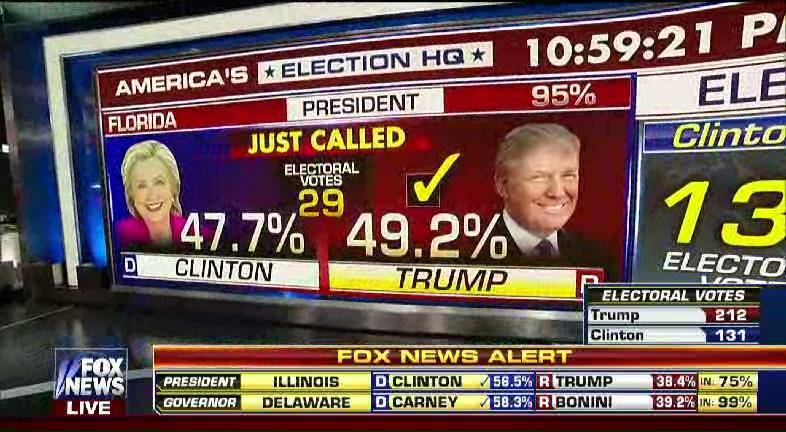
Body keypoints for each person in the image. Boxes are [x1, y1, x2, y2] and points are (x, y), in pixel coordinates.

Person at [492, 123, 618, 280]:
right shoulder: (471, 252)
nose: (557, 193)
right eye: (539, 177)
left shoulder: (598, 258)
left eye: (568, 176)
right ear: (503, 186)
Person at [116, 140, 188, 249]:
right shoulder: (118, 237)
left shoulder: (201, 235)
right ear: (131, 196)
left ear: (173, 189)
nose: (152, 195)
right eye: (142, 186)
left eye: (159, 182)